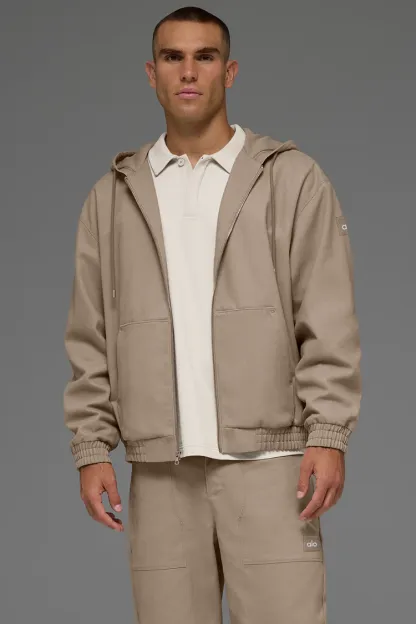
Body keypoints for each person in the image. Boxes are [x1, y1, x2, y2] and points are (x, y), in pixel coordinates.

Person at [63, 6, 362, 623]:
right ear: (152, 73)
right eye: (172, 57)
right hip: (160, 474)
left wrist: (328, 434)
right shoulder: (112, 197)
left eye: (204, 57)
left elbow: (328, 317)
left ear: (229, 71)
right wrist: (91, 446)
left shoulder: (292, 180)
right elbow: (90, 334)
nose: (188, 71)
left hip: (272, 466)